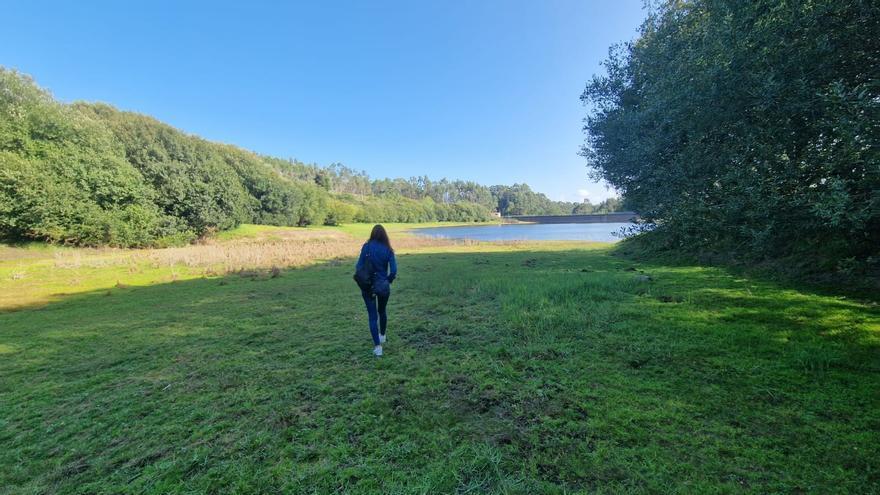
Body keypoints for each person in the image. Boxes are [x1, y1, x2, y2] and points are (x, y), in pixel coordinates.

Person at [355, 225, 397, 356]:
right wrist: (388, 280)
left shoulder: (366, 247)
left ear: (372, 234)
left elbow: (358, 266)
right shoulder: (388, 249)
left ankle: (378, 347)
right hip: (383, 285)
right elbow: (394, 270)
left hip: (368, 286)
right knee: (382, 311)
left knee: (372, 316)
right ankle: (383, 335)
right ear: (384, 235)